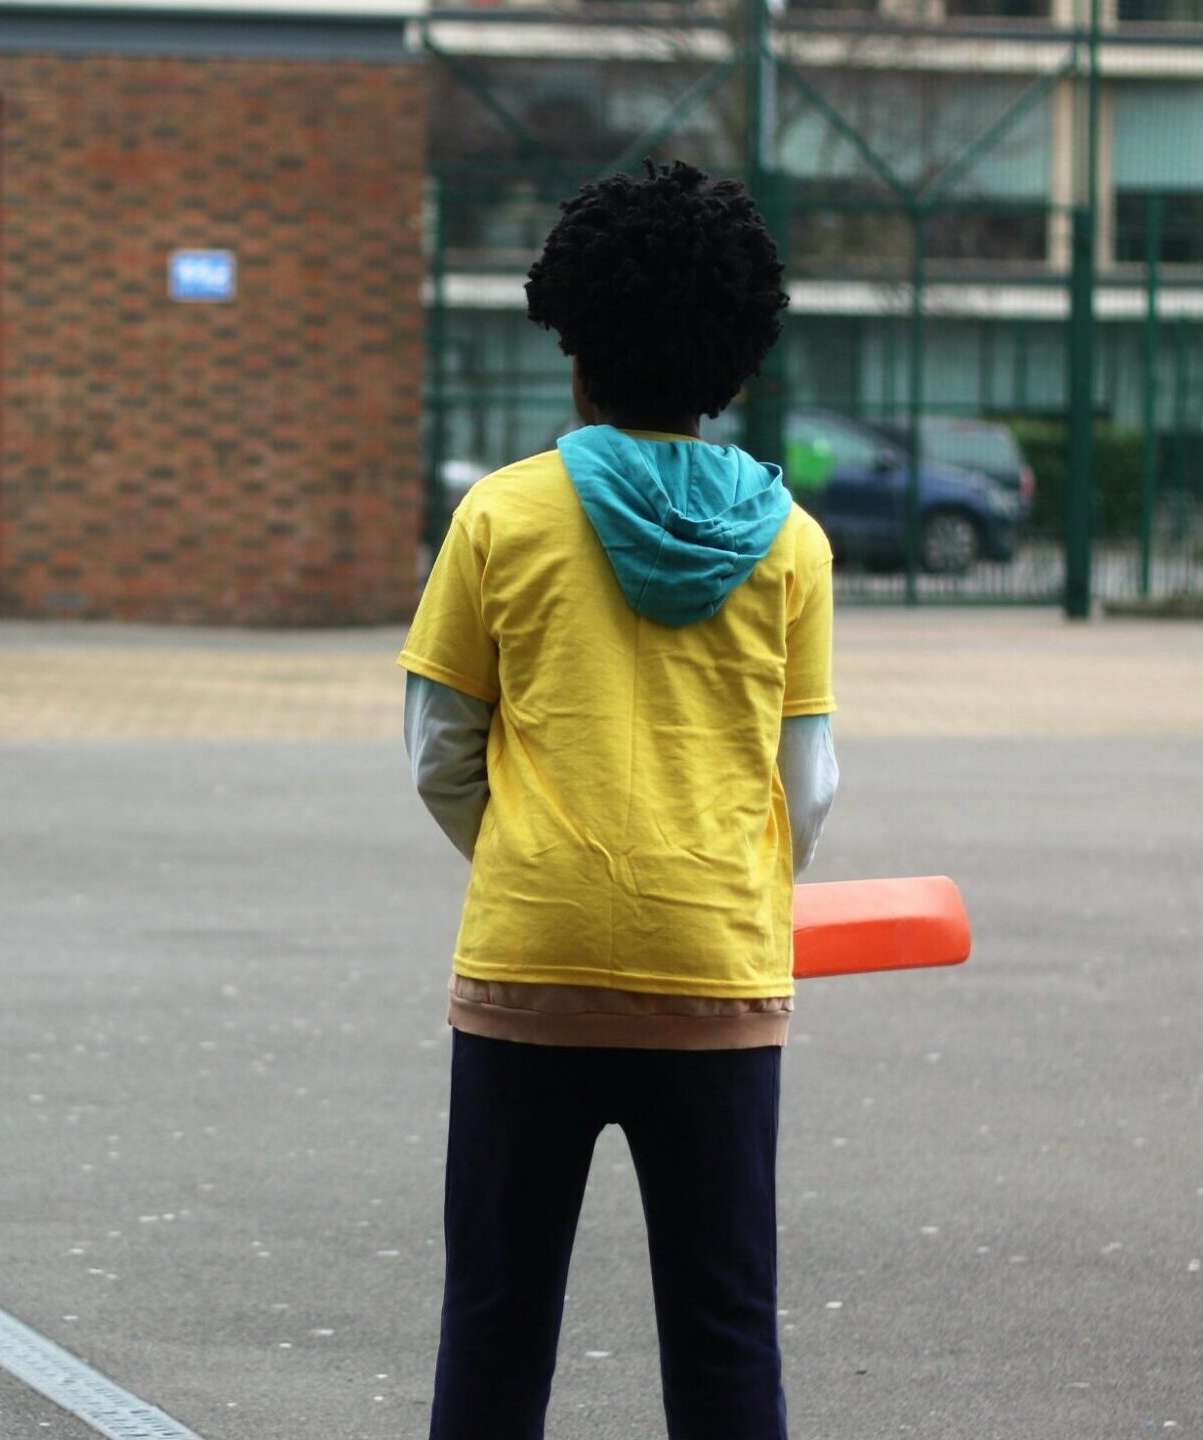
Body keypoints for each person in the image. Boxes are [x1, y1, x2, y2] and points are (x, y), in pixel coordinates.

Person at [398, 160, 840, 1440]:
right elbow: (806, 786)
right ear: (733, 368)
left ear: (574, 348)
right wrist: (731, 877)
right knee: (722, 1340)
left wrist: (532, 847)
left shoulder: (500, 516)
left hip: (529, 956)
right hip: (712, 965)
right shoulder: (791, 543)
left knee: (494, 1323)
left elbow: (438, 750)